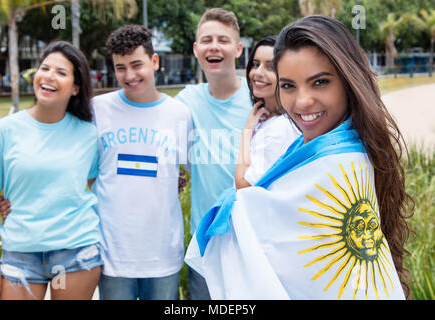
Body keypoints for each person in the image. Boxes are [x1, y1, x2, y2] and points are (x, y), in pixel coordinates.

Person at [185, 15, 412, 300]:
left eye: (320, 82)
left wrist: (233, 208)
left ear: (348, 79)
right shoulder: (342, 145)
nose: (302, 101)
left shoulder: (339, 162)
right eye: (289, 86)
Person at [0, 41, 102, 300]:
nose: (49, 76)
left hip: (77, 251)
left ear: (75, 87)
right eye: (44, 68)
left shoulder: (89, 134)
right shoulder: (3, 131)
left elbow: (98, 185)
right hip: (20, 253)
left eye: (61, 72)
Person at [91, 25, 192, 300]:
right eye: (120, 67)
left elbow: (195, 169)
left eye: (137, 65)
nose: (130, 75)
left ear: (155, 61)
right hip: (113, 254)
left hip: (162, 255)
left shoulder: (179, 114)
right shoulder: (98, 109)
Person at [175, 8, 252, 299]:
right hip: (206, 240)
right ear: (196, 49)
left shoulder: (257, 98)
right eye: (206, 40)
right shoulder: (185, 101)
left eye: (223, 39)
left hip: (249, 238)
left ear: (238, 48)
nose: (214, 46)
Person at [235, 35, 300, 189]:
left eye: (270, 67)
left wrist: (246, 133)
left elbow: (243, 186)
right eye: (255, 64)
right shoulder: (264, 117)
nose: (258, 73)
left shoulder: (282, 127)